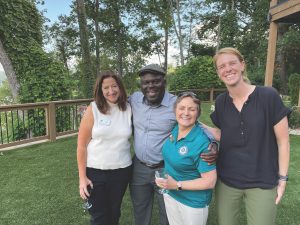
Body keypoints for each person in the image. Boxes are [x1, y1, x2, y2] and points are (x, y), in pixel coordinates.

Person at [205, 47, 290, 225]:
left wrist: (282, 179)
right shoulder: (221, 102)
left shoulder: (268, 96)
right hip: (227, 181)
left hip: (263, 181)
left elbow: (283, 142)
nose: (227, 69)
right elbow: (223, 134)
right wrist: (191, 122)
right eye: (222, 66)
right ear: (218, 72)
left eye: (232, 63)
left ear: (242, 65)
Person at [129, 64, 218, 225]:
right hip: (139, 167)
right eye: (146, 82)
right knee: (140, 208)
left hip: (166, 168)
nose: (150, 86)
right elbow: (113, 103)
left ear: (164, 82)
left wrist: (212, 143)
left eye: (155, 81)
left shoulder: (175, 104)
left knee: (167, 211)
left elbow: (194, 123)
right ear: (141, 85)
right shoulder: (134, 99)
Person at [77, 71, 132, 225]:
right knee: (99, 217)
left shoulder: (128, 108)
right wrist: (82, 178)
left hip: (122, 171)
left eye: (114, 86)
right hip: (95, 172)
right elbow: (81, 146)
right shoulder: (93, 109)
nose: (111, 91)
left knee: (114, 214)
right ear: (100, 90)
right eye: (106, 87)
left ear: (120, 87)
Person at [156, 92, 217, 225]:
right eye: (182, 108)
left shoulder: (202, 143)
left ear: (198, 113)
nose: (186, 113)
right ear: (175, 110)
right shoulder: (175, 129)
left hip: (192, 203)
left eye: (192, 109)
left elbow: (210, 182)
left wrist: (177, 185)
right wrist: (170, 186)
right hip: (171, 194)